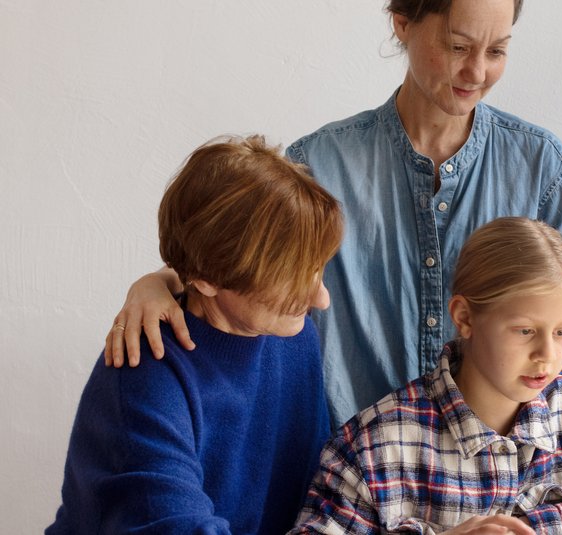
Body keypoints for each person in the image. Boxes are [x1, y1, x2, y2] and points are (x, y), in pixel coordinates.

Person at [104, 0, 562, 429]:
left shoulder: (542, 170)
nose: (477, 72)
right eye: (458, 47)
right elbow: (240, 264)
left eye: (497, 51)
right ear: (402, 23)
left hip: (497, 478)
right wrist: (158, 282)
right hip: (348, 484)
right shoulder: (319, 164)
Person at [47, 136, 344, 534]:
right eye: (288, 277)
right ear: (206, 280)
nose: (320, 297)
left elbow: (317, 493)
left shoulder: (293, 335)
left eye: (315, 267)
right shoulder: (141, 374)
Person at [291, 218, 562, 534]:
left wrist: (530, 528)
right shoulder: (370, 449)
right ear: (465, 318)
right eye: (524, 331)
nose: (547, 355)